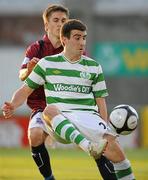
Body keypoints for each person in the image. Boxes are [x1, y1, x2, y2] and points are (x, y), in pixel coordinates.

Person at [2, 19, 135, 179]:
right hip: (59, 119)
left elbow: (101, 101)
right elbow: (25, 90)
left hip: (88, 117)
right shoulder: (47, 63)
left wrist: (104, 130)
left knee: (117, 154)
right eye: (77, 37)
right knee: (49, 110)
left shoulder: (94, 66)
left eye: (84, 38)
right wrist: (13, 104)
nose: (82, 42)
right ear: (64, 39)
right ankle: (88, 147)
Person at [18, 4, 117, 180]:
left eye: (64, 20)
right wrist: (29, 70)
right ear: (46, 25)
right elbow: (22, 76)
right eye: (55, 20)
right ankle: (49, 178)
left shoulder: (75, 48)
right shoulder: (36, 48)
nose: (60, 24)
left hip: (72, 107)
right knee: (34, 134)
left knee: (99, 143)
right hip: (43, 107)